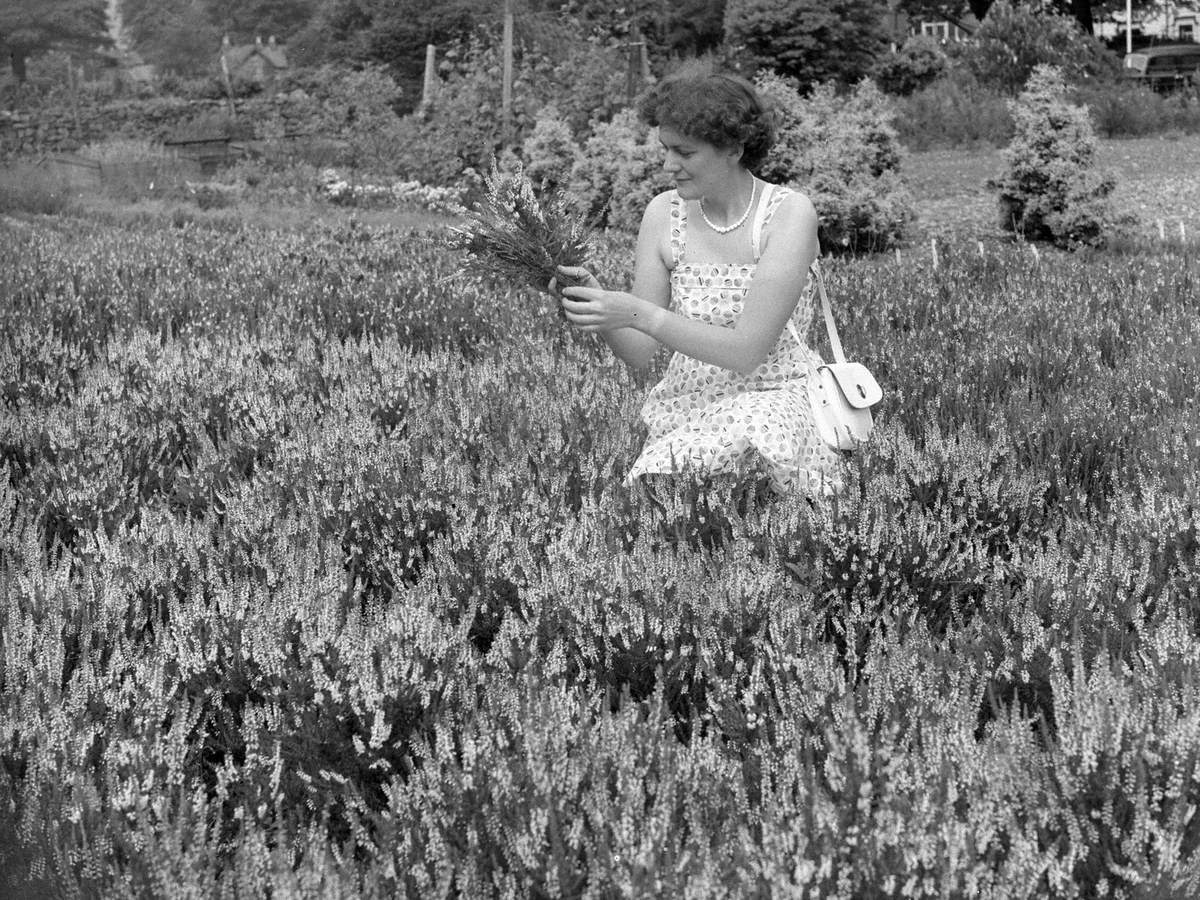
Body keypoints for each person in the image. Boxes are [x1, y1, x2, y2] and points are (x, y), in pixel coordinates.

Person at [553, 68, 844, 501]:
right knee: (675, 503)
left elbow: (748, 351)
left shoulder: (787, 215)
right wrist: (599, 303)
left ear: (733, 148)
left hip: (778, 394)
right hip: (690, 403)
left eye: (684, 152)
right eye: (665, 149)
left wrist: (637, 312)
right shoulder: (662, 215)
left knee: (758, 437)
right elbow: (639, 351)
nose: (669, 165)